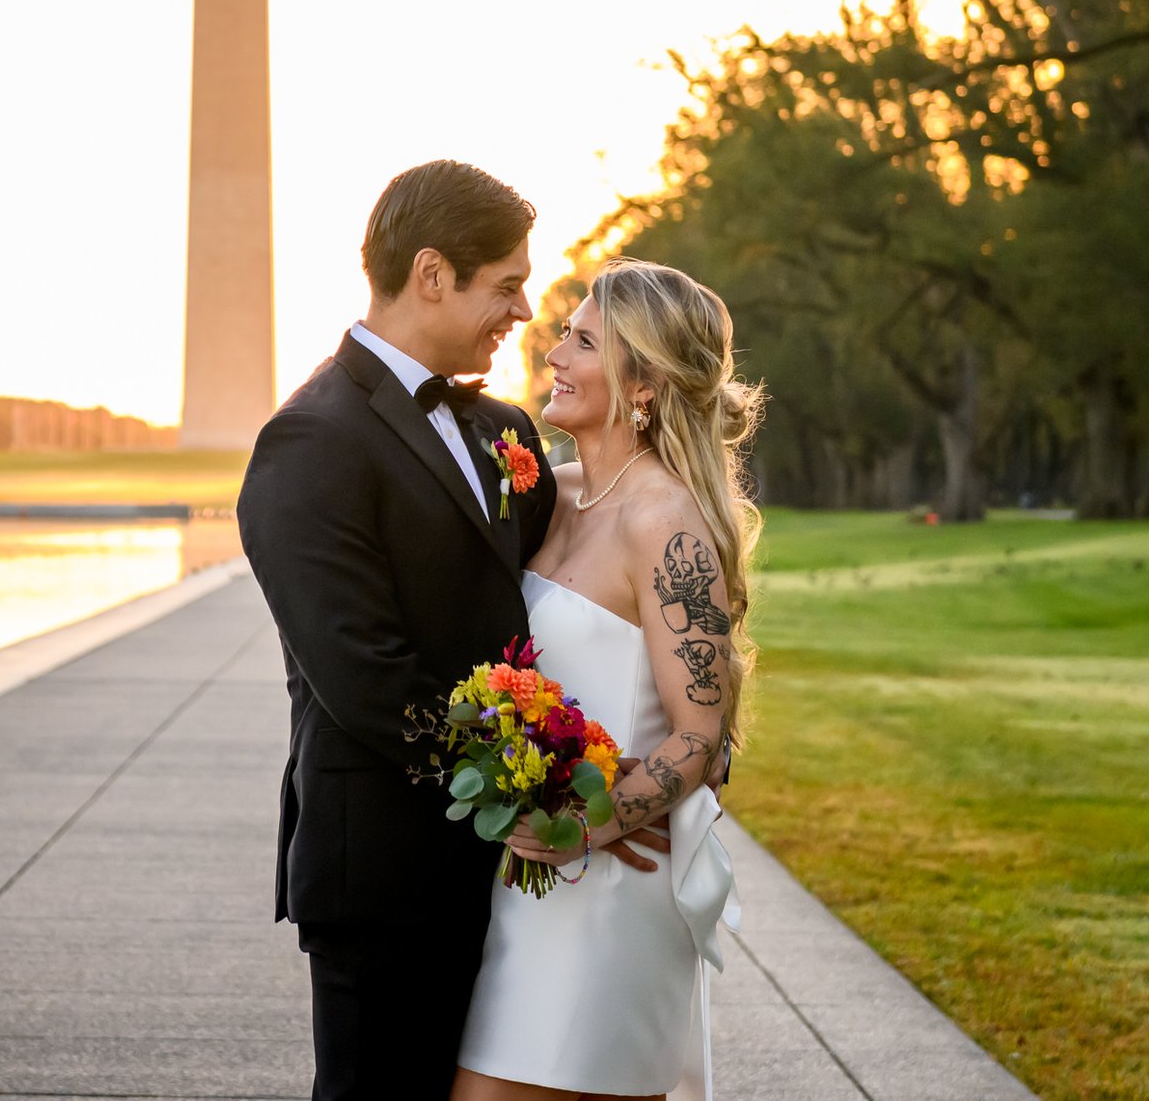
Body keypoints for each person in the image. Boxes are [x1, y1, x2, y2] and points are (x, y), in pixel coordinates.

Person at [238, 161, 664, 1101]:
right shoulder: (310, 440)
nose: (524, 310)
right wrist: (554, 792)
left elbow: (587, 586)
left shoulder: (503, 428)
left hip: (520, 880)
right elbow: (367, 679)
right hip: (387, 869)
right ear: (433, 273)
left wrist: (670, 745)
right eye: (506, 284)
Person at [453, 257, 759, 1101]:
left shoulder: (666, 523)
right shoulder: (550, 495)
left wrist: (588, 824)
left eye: (584, 342)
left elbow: (702, 734)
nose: (554, 354)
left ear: (644, 384)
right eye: (566, 333)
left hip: (609, 888)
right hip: (519, 881)